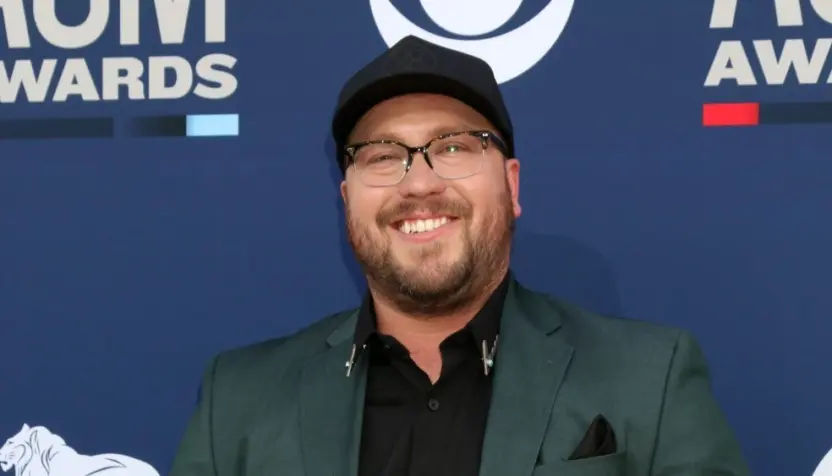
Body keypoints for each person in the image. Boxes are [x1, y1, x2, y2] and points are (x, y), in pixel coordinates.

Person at [169, 36, 749, 476]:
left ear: (512, 187)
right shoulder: (238, 402)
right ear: (347, 199)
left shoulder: (651, 378)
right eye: (380, 155)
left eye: (452, 147)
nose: (418, 184)